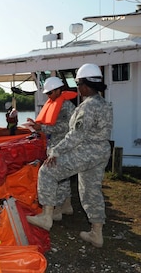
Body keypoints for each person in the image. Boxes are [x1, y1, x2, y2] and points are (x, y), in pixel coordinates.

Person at [26, 63, 113, 248]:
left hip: (86, 151)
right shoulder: (105, 104)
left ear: (85, 85)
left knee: (47, 172)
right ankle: (96, 233)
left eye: (79, 83)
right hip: (101, 152)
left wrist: (56, 151)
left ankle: (46, 217)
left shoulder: (87, 106)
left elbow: (76, 135)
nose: (78, 87)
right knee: (90, 190)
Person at [27, 77, 77, 221]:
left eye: (50, 93)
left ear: (58, 90)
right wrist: (35, 125)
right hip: (55, 145)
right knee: (63, 177)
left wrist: (42, 128)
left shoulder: (66, 106)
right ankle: (66, 205)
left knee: (59, 177)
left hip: (62, 147)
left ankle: (58, 209)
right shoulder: (55, 104)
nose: (48, 96)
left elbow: (68, 126)